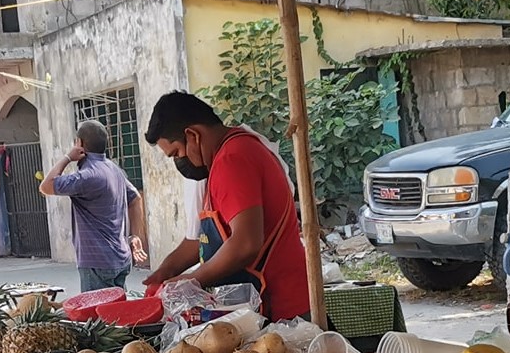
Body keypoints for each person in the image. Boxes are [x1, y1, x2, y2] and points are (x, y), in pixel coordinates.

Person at [141, 92, 311, 321]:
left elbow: (245, 243)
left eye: (176, 154)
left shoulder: (232, 159)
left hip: (284, 309)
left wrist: (192, 280)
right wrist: (167, 271)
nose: (178, 161)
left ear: (193, 135)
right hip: (270, 304)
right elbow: (204, 241)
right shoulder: (227, 155)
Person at [40, 119, 148, 292]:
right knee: (117, 314)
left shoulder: (87, 176)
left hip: (97, 263)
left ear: (80, 144)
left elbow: (46, 186)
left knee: (98, 316)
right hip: (120, 258)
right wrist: (135, 235)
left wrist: (68, 157)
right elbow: (135, 198)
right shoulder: (114, 170)